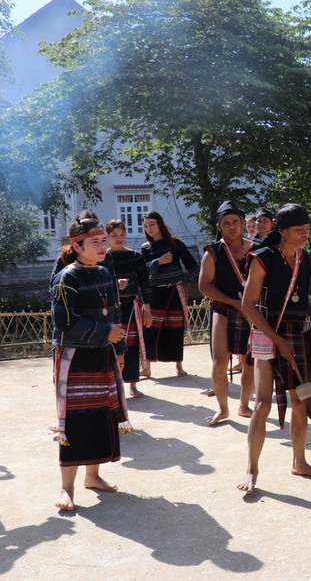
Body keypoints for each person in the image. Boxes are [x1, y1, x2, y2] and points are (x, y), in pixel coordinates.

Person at [237, 203, 311, 493]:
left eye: (308, 229)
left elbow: (302, 297)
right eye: (299, 230)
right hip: (264, 332)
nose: (305, 234)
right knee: (263, 403)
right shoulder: (263, 258)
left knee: (301, 400)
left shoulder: (306, 258)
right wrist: (276, 339)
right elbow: (248, 305)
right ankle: (251, 469)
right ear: (281, 231)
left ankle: (299, 462)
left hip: (295, 332)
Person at [51, 215, 133, 510]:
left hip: (103, 355)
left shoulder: (104, 273)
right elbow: (64, 321)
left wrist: (120, 347)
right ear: (77, 245)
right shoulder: (67, 277)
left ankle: (93, 476)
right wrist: (104, 333)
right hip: (75, 357)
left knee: (101, 416)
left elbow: (116, 314)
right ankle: (67, 488)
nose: (102, 246)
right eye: (94, 242)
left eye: (103, 241)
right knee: (75, 421)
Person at [197, 201, 256, 425]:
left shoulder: (256, 249)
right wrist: (232, 301)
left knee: (249, 360)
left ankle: (244, 405)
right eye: (226, 223)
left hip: (251, 309)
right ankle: (223, 408)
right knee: (220, 360)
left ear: (242, 223)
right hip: (222, 307)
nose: (232, 226)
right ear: (219, 227)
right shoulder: (212, 252)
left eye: (235, 222)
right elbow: (204, 286)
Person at [140, 211, 200, 378]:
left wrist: (205, 284)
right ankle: (147, 367)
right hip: (154, 293)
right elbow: (142, 271)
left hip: (175, 290)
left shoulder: (175, 244)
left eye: (152, 224)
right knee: (150, 329)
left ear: (159, 224)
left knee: (175, 328)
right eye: (145, 226)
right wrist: (158, 262)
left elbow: (191, 264)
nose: (149, 228)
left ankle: (179, 366)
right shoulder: (146, 248)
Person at [106, 219, 154, 398]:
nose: (119, 238)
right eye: (114, 235)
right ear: (107, 236)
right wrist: (115, 285)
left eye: (122, 234)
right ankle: (114, 387)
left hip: (132, 307)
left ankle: (133, 385)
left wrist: (147, 308)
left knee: (131, 346)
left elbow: (145, 283)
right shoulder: (103, 258)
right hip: (110, 310)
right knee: (111, 346)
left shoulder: (135, 256)